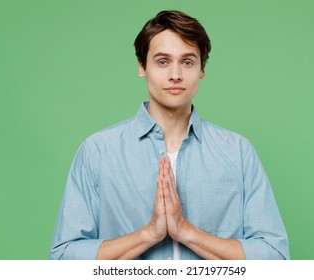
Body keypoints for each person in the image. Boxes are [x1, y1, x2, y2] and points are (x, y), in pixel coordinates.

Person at [50, 10, 289, 260]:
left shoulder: (238, 152)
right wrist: (149, 234)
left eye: (187, 62)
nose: (175, 74)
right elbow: (63, 258)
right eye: (162, 61)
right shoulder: (97, 151)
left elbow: (275, 257)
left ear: (202, 69)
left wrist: (186, 232)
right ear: (142, 66)